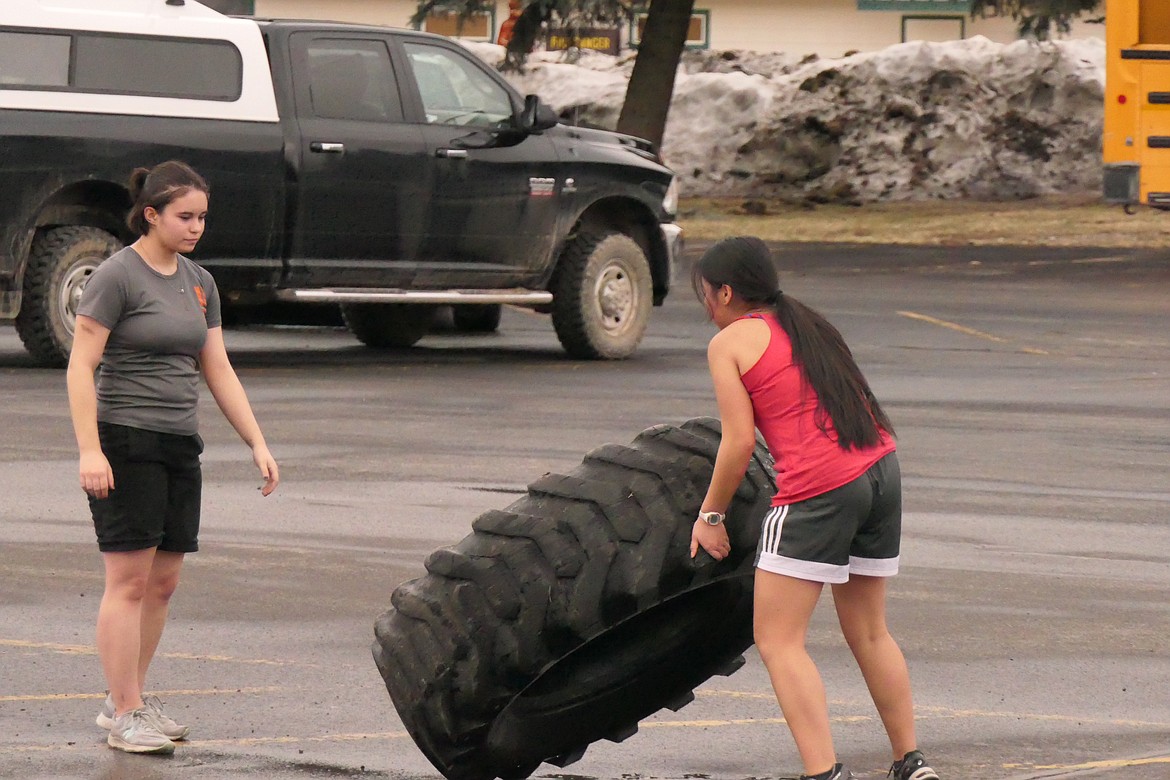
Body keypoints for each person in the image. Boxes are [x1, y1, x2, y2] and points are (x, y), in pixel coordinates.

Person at [688, 237, 938, 780]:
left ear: (727, 293)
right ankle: (911, 762)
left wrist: (710, 517)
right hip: (881, 472)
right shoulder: (813, 326)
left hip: (820, 489)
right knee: (871, 632)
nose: (706, 307)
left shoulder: (731, 342)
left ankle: (824, 772)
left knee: (778, 640)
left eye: (706, 295)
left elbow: (736, 443)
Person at [66, 160, 279, 755]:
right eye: (185, 217)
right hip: (125, 441)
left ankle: (125, 698)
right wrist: (90, 448)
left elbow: (217, 368)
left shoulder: (199, 282)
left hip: (179, 442)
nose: (195, 228)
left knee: (163, 582)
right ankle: (126, 710)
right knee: (128, 580)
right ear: (152, 214)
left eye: (202, 218)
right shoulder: (116, 276)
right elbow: (81, 366)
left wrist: (256, 441)